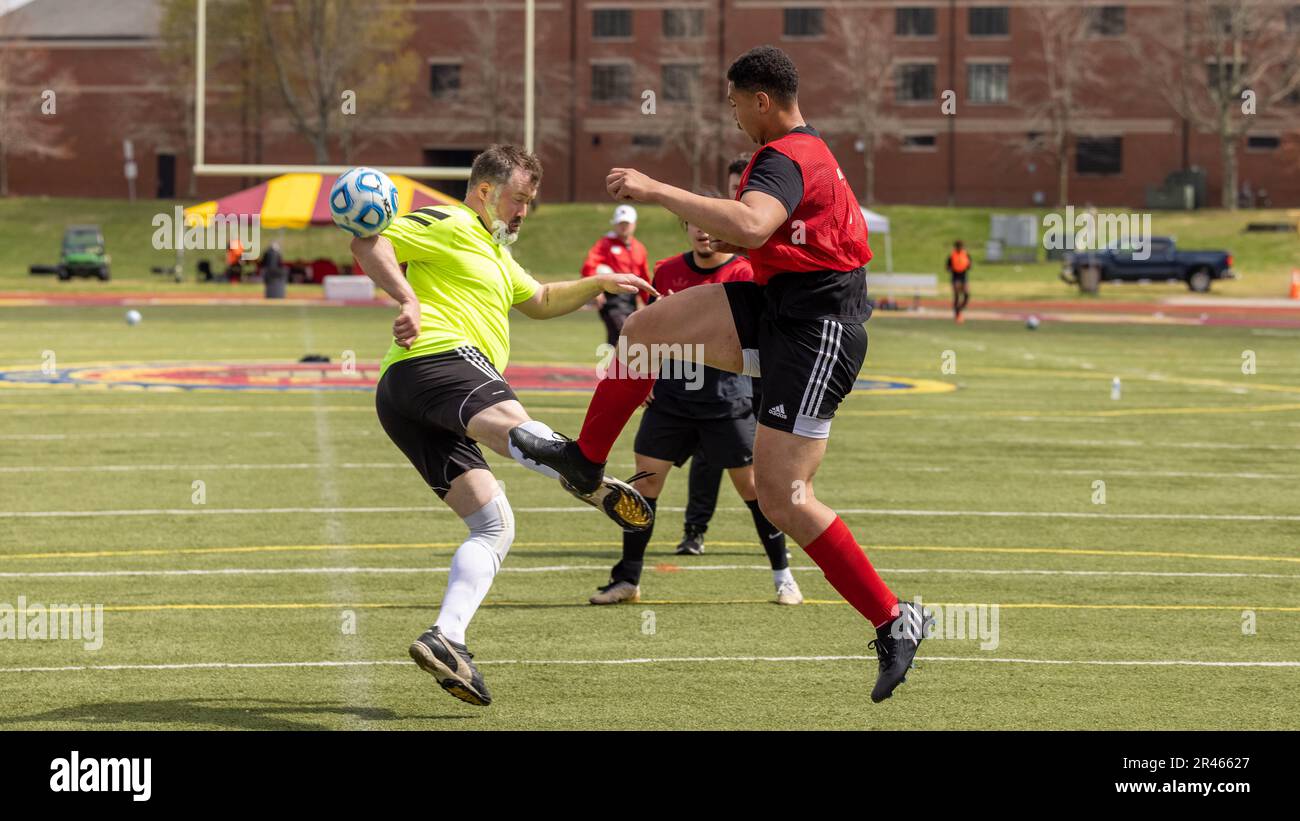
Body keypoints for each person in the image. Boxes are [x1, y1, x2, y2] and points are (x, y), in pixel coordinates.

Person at [510, 46, 931, 703]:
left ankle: (893, 618)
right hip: (782, 305)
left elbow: (756, 221)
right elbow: (775, 235)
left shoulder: (786, 155)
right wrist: (737, 239)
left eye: (735, 103)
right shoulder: (799, 152)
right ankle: (585, 460)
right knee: (643, 330)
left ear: (761, 99)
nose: (733, 115)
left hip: (817, 329)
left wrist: (655, 190)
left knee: (783, 494)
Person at [350, 145, 656, 707]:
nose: (523, 212)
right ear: (487, 190)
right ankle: (577, 467)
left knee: (494, 525)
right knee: (517, 423)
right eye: (518, 199)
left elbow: (537, 299)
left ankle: (447, 638)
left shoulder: (493, 249)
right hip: (437, 361)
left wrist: (602, 282)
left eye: (530, 203)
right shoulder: (450, 219)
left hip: (412, 401)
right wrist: (408, 298)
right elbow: (369, 241)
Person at [589, 194, 803, 607]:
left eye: (711, 224)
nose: (703, 231)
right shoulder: (667, 270)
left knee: (756, 489)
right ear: (685, 226)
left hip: (726, 400)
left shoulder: (743, 269)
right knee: (644, 484)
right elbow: (650, 329)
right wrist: (642, 378)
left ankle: (783, 575)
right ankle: (628, 579)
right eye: (694, 223)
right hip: (671, 399)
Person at [675, 154, 757, 556]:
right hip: (719, 380)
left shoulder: (768, 222)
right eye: (732, 187)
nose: (737, 193)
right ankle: (695, 530)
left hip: (769, 361)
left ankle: (778, 535)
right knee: (708, 455)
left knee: (770, 458)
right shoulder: (721, 230)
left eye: (744, 184)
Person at [580, 204, 650, 347]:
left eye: (627, 223)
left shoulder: (639, 248)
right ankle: (621, 368)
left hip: (630, 300)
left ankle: (614, 368)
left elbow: (644, 277)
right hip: (612, 298)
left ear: (634, 224)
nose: (623, 227)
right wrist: (595, 291)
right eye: (620, 223)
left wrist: (649, 302)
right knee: (624, 334)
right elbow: (589, 266)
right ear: (615, 224)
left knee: (619, 339)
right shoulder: (605, 244)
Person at [946, 240, 971, 323]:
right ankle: (957, 315)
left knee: (966, 295)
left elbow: (969, 265)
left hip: (963, 276)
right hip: (955, 277)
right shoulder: (952, 256)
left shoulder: (966, 254)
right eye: (959, 246)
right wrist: (952, 268)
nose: (960, 248)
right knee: (957, 296)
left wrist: (966, 265)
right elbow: (947, 267)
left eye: (961, 246)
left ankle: (959, 309)